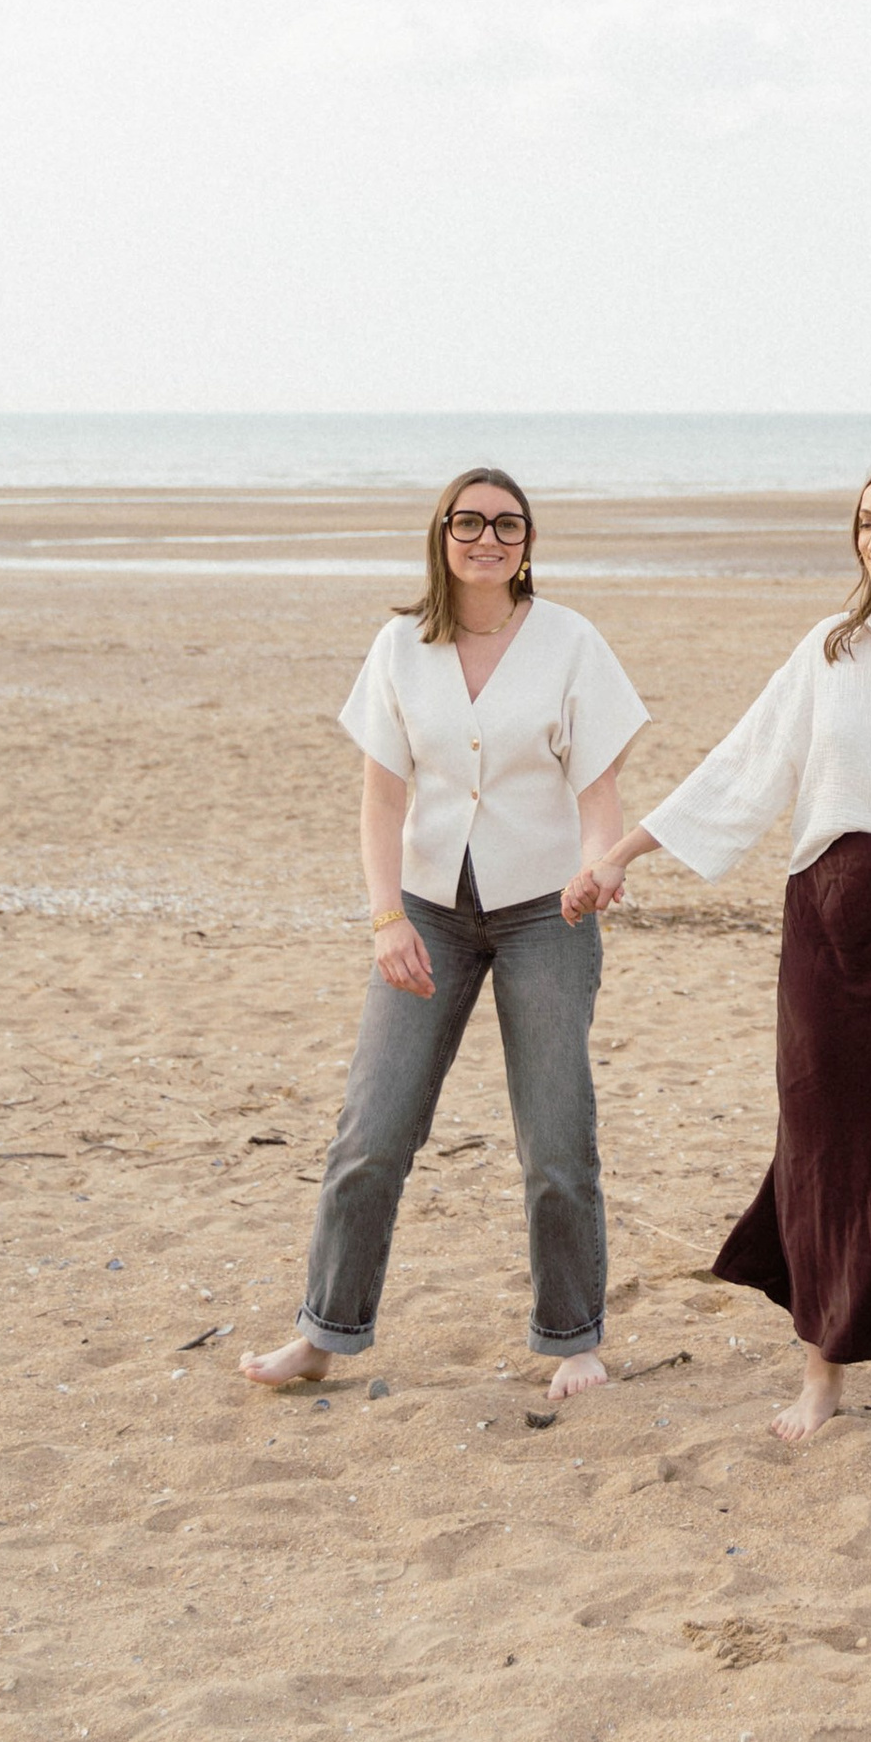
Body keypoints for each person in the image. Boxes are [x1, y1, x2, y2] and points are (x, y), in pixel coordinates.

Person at [569, 455, 871, 1448]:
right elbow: (744, 764)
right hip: (827, 928)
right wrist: (621, 850)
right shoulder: (830, 650)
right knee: (818, 1148)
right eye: (866, 520)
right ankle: (821, 1374)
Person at [242, 469, 646, 1402]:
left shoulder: (571, 643)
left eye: (507, 524)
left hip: (550, 909)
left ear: (528, 541)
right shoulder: (399, 647)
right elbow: (381, 801)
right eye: (469, 522)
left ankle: (573, 1337)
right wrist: (386, 918)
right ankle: (325, 1332)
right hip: (426, 908)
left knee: (555, 1138)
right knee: (371, 1132)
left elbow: (598, 795)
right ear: (442, 535)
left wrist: (601, 865)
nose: (487, 538)